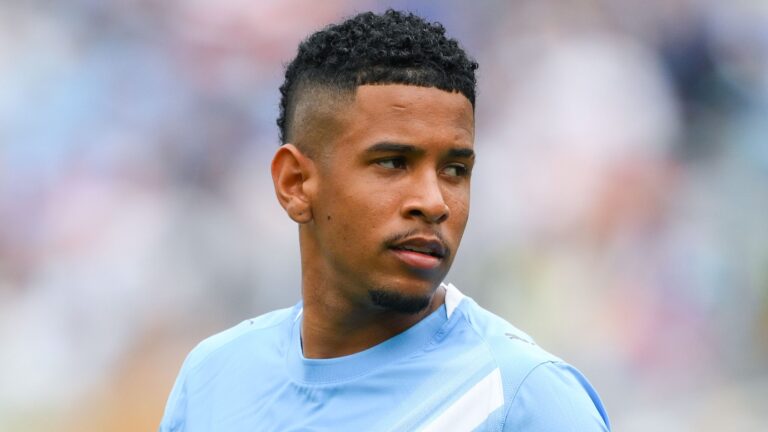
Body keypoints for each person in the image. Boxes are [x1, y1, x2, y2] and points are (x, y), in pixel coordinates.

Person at [159, 10, 611, 431]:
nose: (434, 202)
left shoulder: (524, 397)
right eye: (393, 162)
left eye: (455, 170)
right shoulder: (212, 379)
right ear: (295, 183)